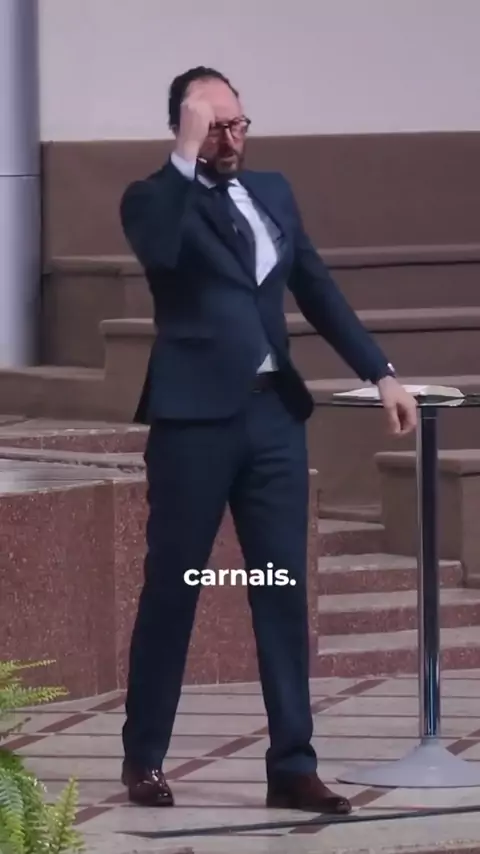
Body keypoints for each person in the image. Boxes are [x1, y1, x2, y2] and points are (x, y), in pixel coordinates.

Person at [119, 65, 417, 813]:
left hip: (272, 418)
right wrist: (184, 156)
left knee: (280, 588)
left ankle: (292, 764)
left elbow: (315, 287)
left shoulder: (273, 192)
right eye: (213, 126)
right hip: (193, 423)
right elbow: (159, 250)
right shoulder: (154, 198)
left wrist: (380, 372)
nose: (231, 139)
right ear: (184, 129)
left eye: (238, 123)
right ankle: (144, 756)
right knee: (175, 586)